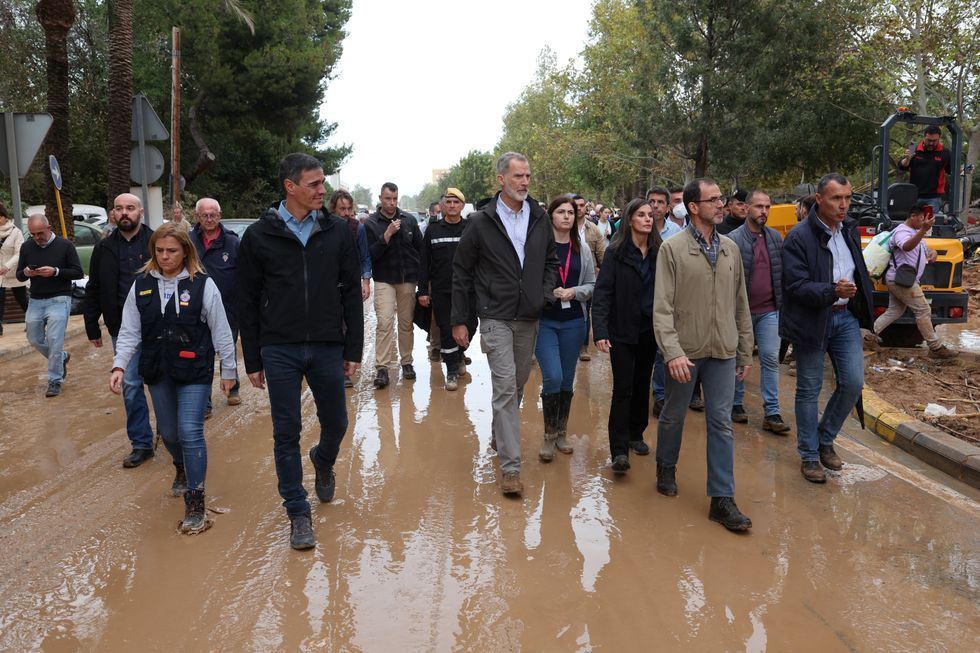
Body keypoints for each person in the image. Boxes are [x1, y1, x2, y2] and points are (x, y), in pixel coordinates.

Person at [237, 152, 363, 550]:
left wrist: (353, 348)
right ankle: (297, 511)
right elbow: (248, 299)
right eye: (313, 184)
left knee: (338, 423)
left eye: (322, 182)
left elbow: (351, 297)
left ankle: (323, 460)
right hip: (280, 347)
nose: (322, 190)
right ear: (289, 187)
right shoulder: (259, 236)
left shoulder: (338, 232)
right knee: (285, 432)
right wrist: (253, 357)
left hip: (327, 344)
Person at [109, 223, 235, 533]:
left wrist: (228, 370)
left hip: (194, 369)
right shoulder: (141, 286)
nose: (165, 257)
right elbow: (129, 332)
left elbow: (221, 329)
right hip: (157, 369)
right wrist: (119, 366)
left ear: (185, 252)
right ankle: (180, 466)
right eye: (160, 251)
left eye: (172, 251)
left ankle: (195, 500)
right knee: (168, 433)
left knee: (189, 430)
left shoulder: (203, 285)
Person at [451, 152, 558, 496]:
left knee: (520, 383)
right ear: (501, 180)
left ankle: (501, 431)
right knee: (505, 387)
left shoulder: (540, 217)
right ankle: (511, 469)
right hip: (495, 316)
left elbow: (550, 262)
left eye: (527, 176)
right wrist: (460, 320)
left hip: (529, 316)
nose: (525, 182)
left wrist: (543, 294)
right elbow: (462, 272)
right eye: (518, 177)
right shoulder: (481, 222)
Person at [654, 178, 754, 532]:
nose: (721, 205)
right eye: (713, 200)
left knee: (721, 423)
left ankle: (722, 499)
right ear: (694, 207)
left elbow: (741, 303)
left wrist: (744, 350)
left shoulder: (730, 249)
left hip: (723, 351)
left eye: (721, 199)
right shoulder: (673, 249)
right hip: (686, 352)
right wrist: (672, 352)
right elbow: (662, 308)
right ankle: (665, 466)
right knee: (674, 415)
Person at [781, 173, 874, 484]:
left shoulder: (849, 229)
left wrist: (862, 300)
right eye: (837, 198)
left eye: (847, 198)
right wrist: (832, 290)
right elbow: (795, 286)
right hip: (812, 318)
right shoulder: (798, 237)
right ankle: (809, 456)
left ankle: (824, 438)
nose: (844, 205)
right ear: (819, 200)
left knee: (852, 382)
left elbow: (858, 268)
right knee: (809, 389)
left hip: (845, 317)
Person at [84, 193, 156, 467]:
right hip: (122, 328)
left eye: (129, 208)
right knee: (131, 384)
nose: (124, 213)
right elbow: (95, 288)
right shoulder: (103, 248)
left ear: (140, 211)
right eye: (118, 209)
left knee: (163, 382)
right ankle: (141, 443)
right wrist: (92, 325)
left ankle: (173, 434)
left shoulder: (156, 242)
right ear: (112, 213)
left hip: (158, 326)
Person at [593, 198, 660, 470]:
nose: (647, 219)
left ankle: (636, 434)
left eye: (650, 215)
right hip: (622, 330)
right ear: (630, 219)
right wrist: (600, 330)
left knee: (643, 384)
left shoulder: (659, 252)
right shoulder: (616, 252)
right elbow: (603, 293)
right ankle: (619, 449)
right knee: (623, 387)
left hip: (650, 331)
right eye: (641, 214)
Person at [533, 197, 595, 461]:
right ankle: (548, 436)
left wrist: (574, 291)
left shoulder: (583, 250)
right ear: (551, 216)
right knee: (553, 377)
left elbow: (592, 284)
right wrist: (548, 292)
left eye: (571, 212)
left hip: (573, 322)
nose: (567, 216)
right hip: (545, 321)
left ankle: (561, 433)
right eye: (561, 212)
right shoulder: (538, 247)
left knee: (567, 379)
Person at [727, 190, 791, 433]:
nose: (763, 211)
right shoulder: (733, 239)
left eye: (767, 207)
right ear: (747, 208)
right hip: (740, 313)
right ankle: (735, 404)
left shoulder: (775, 238)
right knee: (738, 358)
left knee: (770, 359)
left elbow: (782, 274)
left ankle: (772, 412)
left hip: (769, 311)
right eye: (758, 207)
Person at [872, 202, 957, 358]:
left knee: (895, 310)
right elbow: (906, 246)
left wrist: (932, 253)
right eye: (922, 219)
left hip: (901, 279)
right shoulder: (902, 232)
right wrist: (923, 230)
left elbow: (924, 249)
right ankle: (936, 347)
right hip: (902, 281)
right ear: (913, 216)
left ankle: (868, 336)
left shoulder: (915, 231)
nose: (925, 222)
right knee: (923, 310)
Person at [363, 182, 423, 389]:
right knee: (384, 322)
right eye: (388, 198)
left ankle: (407, 362)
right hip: (384, 279)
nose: (391, 203)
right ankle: (382, 368)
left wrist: (423, 280)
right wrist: (386, 235)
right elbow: (370, 255)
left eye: (395, 199)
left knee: (406, 323)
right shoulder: (371, 223)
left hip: (407, 279)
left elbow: (421, 250)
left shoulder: (409, 220)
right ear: (380, 198)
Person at [16, 214, 83, 397]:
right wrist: (27, 272)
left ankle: (54, 380)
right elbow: (19, 275)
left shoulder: (65, 245)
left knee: (54, 339)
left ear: (49, 227)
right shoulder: (27, 246)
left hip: (60, 298)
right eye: (33, 234)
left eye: (40, 233)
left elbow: (78, 272)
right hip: (36, 299)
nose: (37, 237)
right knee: (34, 339)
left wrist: (56, 272)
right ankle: (61, 358)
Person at [418, 188, 476, 391]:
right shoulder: (433, 230)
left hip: (468, 291)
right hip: (442, 291)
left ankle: (459, 355)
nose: (452, 205)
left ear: (462, 205)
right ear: (443, 205)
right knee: (446, 329)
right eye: (448, 202)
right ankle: (451, 370)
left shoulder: (471, 228)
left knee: (471, 325)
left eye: (456, 202)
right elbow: (424, 262)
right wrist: (423, 290)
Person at [190, 197, 243, 412]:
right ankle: (205, 401)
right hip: (194, 307)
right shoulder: (188, 241)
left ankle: (233, 389)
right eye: (205, 215)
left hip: (228, 307)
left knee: (226, 347)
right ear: (197, 217)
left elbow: (244, 275)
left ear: (219, 216)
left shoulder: (233, 242)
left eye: (213, 215)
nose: (210, 219)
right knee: (202, 353)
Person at [572, 194, 605, 362]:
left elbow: (602, 255)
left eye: (581, 205)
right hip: (566, 277)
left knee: (585, 313)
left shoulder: (594, 229)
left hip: (587, 279)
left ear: (586, 207)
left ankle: (583, 347)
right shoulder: (561, 226)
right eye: (575, 205)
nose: (579, 208)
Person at [898, 126, 951, 213]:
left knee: (930, 223)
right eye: (928, 140)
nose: (931, 143)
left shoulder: (945, 153)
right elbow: (902, 166)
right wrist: (907, 159)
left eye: (934, 141)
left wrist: (966, 169)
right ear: (924, 137)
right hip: (914, 195)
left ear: (939, 138)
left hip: (934, 197)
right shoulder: (914, 148)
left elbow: (952, 170)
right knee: (913, 222)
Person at [0, 203, 29, 336]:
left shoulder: (15, 232)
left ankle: (33, 322)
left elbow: (19, 253)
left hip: (12, 272)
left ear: (5, 217)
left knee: (21, 299)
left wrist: (7, 266)